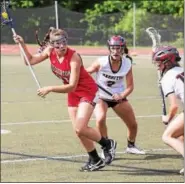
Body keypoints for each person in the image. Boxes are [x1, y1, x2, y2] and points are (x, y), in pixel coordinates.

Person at [13, 27, 117, 172]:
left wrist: (49, 88)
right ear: (52, 44)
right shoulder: (50, 52)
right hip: (73, 94)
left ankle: (107, 144)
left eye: (63, 42)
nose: (61, 46)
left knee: (81, 127)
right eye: (57, 43)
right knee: (78, 131)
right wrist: (22, 44)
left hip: (87, 92)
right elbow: (29, 61)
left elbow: (72, 85)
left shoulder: (74, 57)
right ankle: (95, 159)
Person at [86, 35, 145, 160]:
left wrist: (121, 95)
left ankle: (131, 145)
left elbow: (130, 86)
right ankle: (106, 148)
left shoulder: (127, 63)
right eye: (113, 48)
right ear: (109, 48)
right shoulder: (101, 62)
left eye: (118, 48)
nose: (116, 51)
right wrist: (77, 72)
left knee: (133, 124)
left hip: (118, 97)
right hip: (101, 97)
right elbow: (88, 71)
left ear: (123, 49)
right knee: (100, 119)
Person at [153, 46, 184, 175]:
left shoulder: (167, 78)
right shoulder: (181, 70)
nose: (157, 66)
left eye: (159, 63)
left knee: (167, 136)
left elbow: (174, 106)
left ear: (167, 62)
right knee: (182, 136)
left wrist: (168, 118)